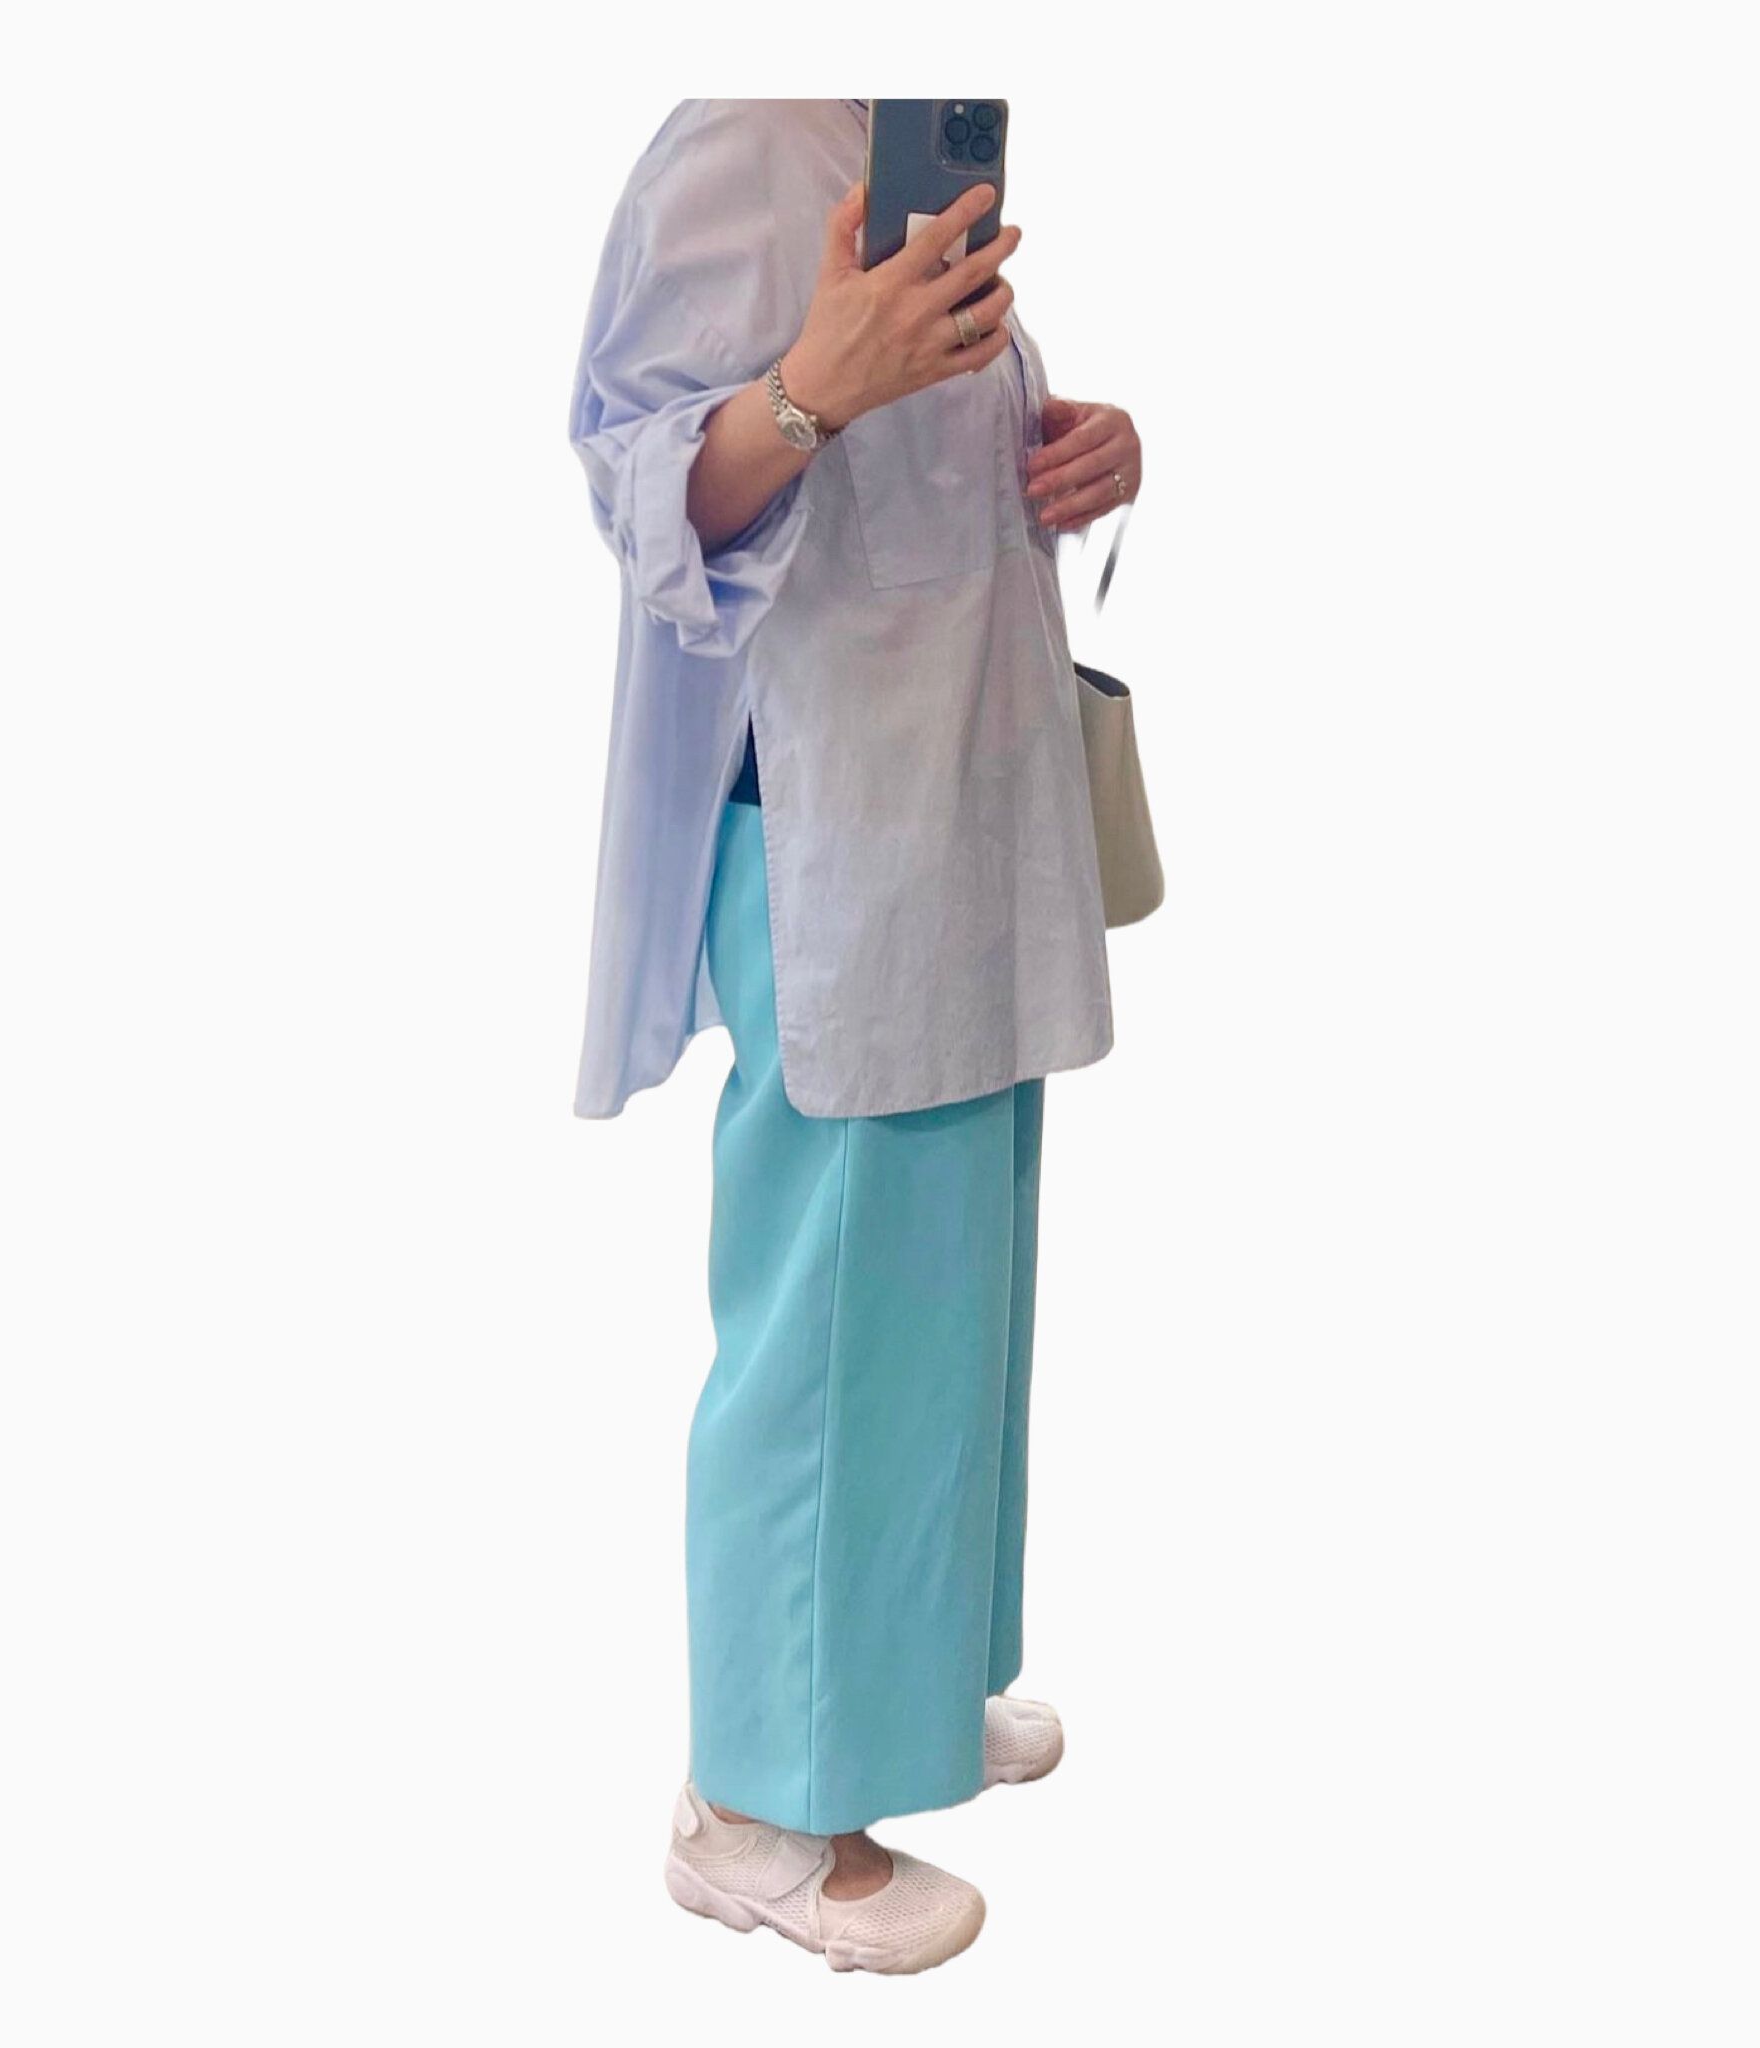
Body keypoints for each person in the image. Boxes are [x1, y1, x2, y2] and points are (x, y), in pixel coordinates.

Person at [568, 100, 1142, 1975]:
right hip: (835, 818)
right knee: (826, 1316)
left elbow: (933, 451)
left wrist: (1081, 450)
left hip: (965, 796)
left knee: (951, 1285)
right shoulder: (737, 140)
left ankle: (900, 1679)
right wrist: (816, 390)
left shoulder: (900, 124)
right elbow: (641, 488)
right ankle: (753, 1806)